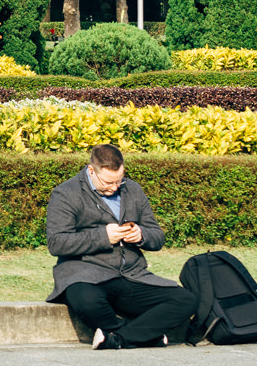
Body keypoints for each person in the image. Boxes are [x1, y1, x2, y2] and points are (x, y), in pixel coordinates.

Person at [45, 143, 194, 350]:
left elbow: (157, 237)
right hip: (87, 275)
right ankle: (145, 336)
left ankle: (118, 338)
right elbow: (56, 243)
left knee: (185, 300)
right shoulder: (65, 193)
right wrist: (103, 236)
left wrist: (141, 235)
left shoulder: (132, 189)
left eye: (119, 180)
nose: (115, 187)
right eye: (108, 182)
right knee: (86, 301)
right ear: (91, 170)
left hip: (132, 276)